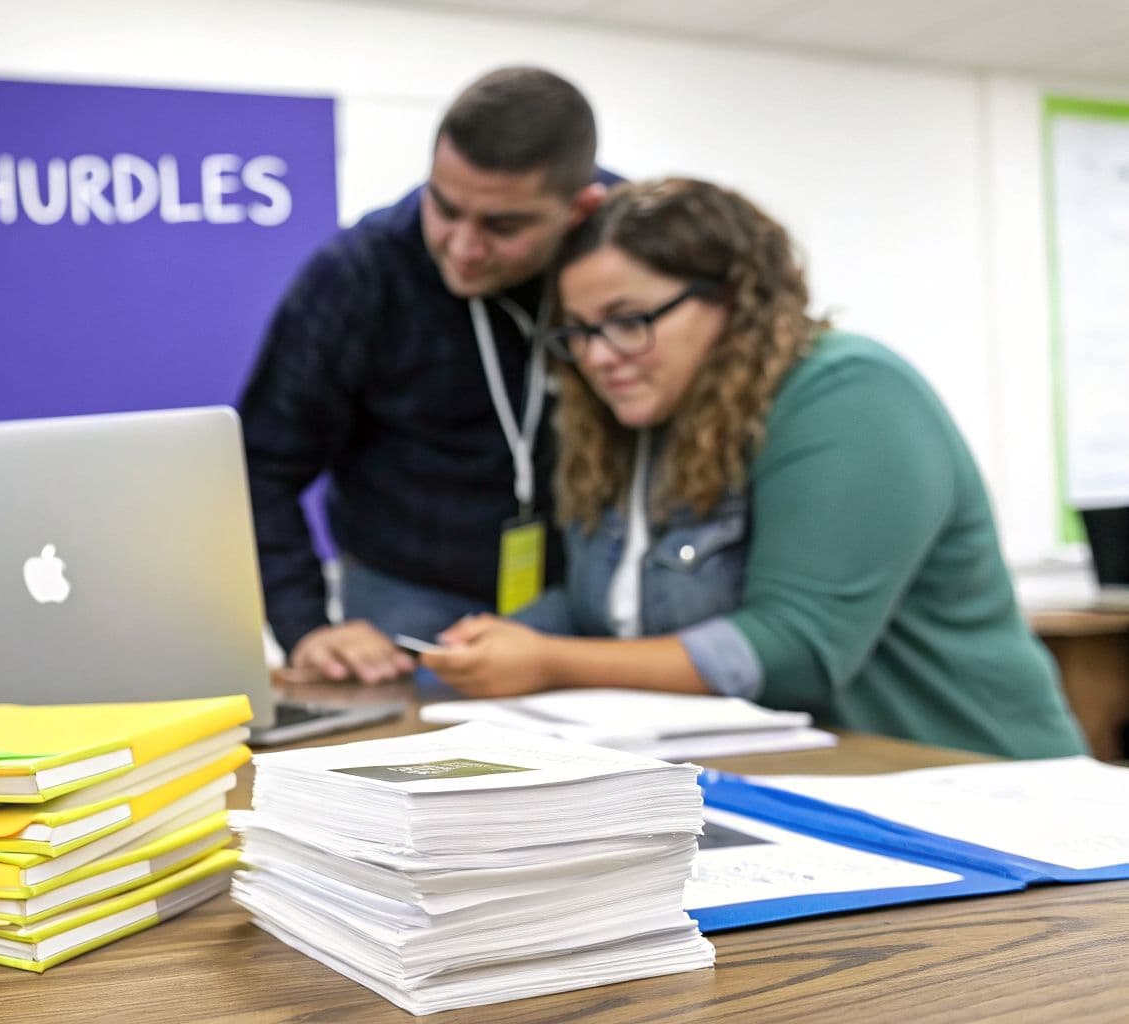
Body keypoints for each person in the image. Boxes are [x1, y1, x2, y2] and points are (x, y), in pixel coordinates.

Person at [420, 177, 1086, 760]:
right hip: (809, 786)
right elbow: (610, 609)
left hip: (980, 785)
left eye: (626, 321)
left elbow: (796, 650)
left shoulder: (849, 393)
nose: (597, 357)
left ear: (735, 299)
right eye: (580, 331)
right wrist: (465, 646)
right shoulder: (639, 421)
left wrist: (545, 662)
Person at [240, 67, 612, 685]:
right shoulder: (358, 274)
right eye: (444, 205)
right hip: (404, 594)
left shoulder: (624, 249)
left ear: (581, 209)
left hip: (580, 586)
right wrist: (307, 626)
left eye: (503, 226)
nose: (463, 246)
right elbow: (261, 465)